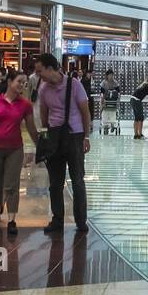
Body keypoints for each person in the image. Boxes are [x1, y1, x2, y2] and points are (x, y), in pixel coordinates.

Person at [0, 70, 39, 234]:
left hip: (15, 149)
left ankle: (12, 219)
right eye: (19, 81)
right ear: (10, 82)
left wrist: (40, 145)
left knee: (12, 185)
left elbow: (32, 128)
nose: (22, 85)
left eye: (24, 83)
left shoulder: (25, 105)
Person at [34, 52, 90, 234]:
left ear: (51, 69)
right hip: (54, 137)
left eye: (40, 71)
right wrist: (44, 137)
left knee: (77, 180)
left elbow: (85, 112)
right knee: (55, 183)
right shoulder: (43, 89)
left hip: (74, 136)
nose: (38, 75)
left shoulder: (74, 85)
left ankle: (81, 221)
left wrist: (86, 137)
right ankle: (57, 219)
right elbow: (43, 115)